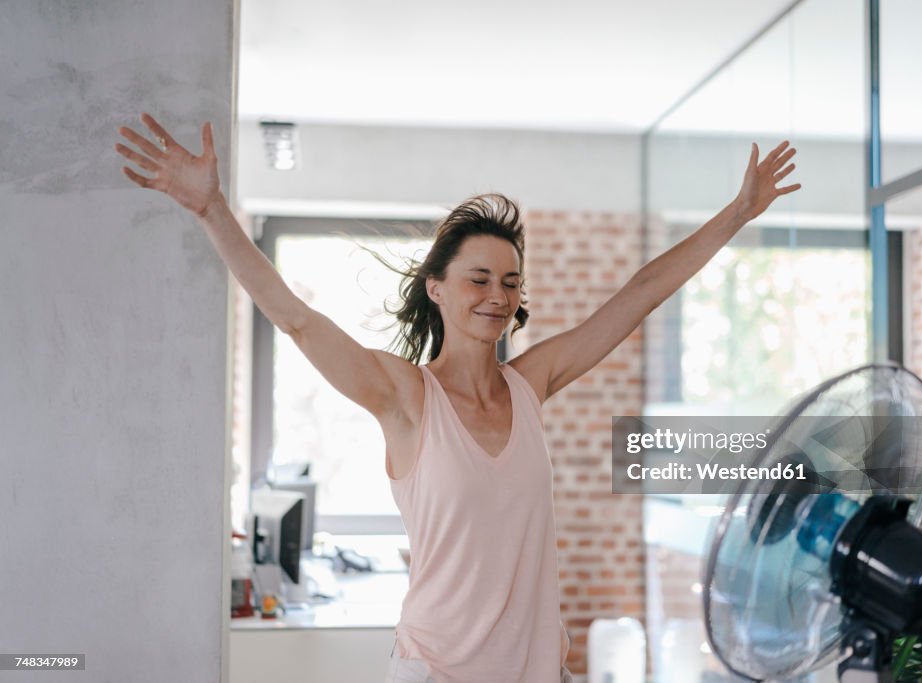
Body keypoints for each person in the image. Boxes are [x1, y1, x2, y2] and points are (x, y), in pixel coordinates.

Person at [115, 113, 799, 683]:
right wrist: (211, 210)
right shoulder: (407, 396)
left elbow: (640, 294)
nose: (498, 295)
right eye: (479, 278)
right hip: (437, 670)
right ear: (436, 287)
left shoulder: (533, 384)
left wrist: (738, 212)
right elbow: (297, 319)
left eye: (510, 281)